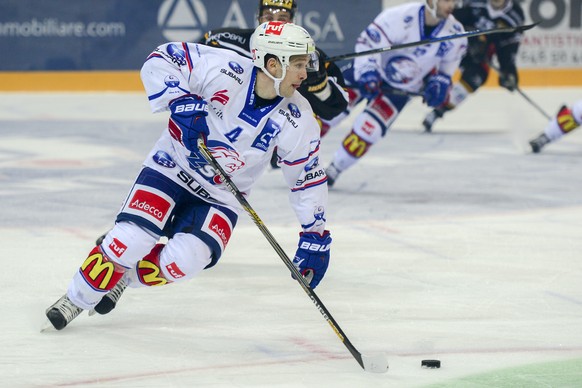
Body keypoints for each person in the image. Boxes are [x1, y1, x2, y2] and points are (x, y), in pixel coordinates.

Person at [45, 21, 332, 331]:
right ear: (272, 64)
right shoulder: (224, 69)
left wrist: (314, 235)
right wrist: (179, 100)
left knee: (186, 261)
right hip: (171, 166)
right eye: (299, 64)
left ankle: (123, 276)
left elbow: (307, 178)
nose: (305, 74)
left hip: (223, 195)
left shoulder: (299, 118)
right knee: (131, 239)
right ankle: (76, 298)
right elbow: (160, 59)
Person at [324, 0, 467, 187]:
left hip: (402, 88)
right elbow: (368, 43)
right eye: (447, 0)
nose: (452, 5)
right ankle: (297, 153)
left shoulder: (456, 34)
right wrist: (367, 72)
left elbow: (445, 73)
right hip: (369, 72)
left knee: (369, 130)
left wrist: (437, 87)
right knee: (330, 110)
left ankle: (335, 168)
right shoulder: (398, 17)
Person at [201, 0, 348, 142]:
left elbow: (334, 110)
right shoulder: (218, 42)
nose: (274, 24)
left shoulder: (309, 57)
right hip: (216, 131)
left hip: (274, 144)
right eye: (268, 17)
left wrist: (319, 85)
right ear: (258, 17)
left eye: (282, 19)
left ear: (292, 20)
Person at [422, 0, 525, 133]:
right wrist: (471, 37)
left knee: (476, 79)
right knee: (429, 64)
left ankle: (437, 112)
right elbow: (451, 19)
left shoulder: (515, 16)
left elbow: (507, 47)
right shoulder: (474, 2)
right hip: (453, 45)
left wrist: (508, 70)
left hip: (478, 58)